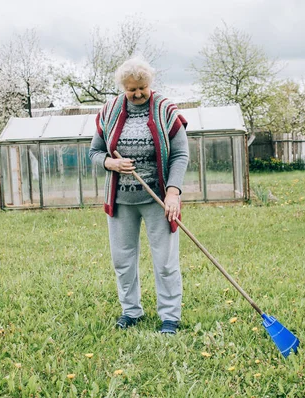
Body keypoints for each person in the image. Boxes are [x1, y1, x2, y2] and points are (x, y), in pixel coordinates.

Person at [89, 56, 189, 334]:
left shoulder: (166, 110)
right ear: (123, 87)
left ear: (150, 83)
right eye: (131, 89)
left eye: (142, 87)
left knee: (165, 261)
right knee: (122, 259)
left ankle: (170, 316)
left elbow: (181, 154)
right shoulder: (108, 111)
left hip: (158, 199)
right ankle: (131, 311)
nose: (137, 94)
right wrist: (111, 163)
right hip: (121, 201)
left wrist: (173, 192)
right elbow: (94, 152)